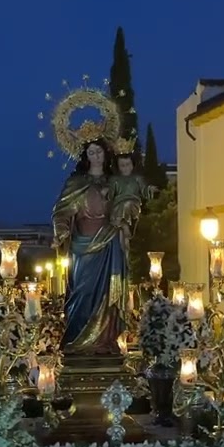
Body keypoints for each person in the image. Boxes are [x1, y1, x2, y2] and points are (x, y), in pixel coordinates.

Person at [51, 138, 132, 354]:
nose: (96, 156)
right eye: (91, 152)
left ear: (106, 154)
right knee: (83, 291)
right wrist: (62, 231)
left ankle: (104, 341)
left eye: (99, 152)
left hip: (109, 242)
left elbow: (127, 208)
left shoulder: (114, 182)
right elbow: (61, 211)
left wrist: (123, 221)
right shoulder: (76, 183)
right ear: (86, 157)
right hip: (82, 245)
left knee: (107, 294)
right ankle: (76, 341)